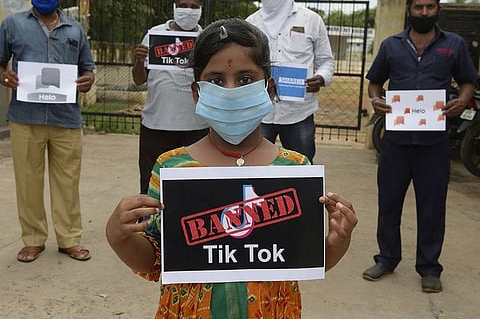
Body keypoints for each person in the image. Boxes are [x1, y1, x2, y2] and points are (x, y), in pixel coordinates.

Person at [106, 18, 357, 318]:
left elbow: (301, 257)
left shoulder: (293, 169)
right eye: (215, 80)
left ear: (270, 88)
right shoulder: (172, 168)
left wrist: (338, 241)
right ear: (197, 93)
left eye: (245, 79)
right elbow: (157, 260)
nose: (230, 90)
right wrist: (118, 235)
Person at [363, 0, 477, 293]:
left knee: (431, 206)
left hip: (434, 143)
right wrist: (376, 100)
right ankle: (386, 258)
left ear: (437, 9)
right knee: (389, 202)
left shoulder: (453, 45)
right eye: (418, 7)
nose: (423, 11)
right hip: (396, 141)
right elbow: (375, 82)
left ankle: (429, 268)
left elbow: (468, 81)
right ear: (409, 9)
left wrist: (461, 100)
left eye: (429, 6)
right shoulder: (391, 45)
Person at [0, 0, 95, 262]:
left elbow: (87, 67)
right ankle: (33, 239)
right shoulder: (12, 25)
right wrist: (5, 76)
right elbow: (1, 63)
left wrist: (88, 79)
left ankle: (69, 239)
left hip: (66, 119)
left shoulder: (75, 29)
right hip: (25, 117)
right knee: (28, 181)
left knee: (68, 182)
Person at [246, 0, 335, 163]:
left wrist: (320, 78)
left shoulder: (311, 20)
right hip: (261, 112)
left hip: (299, 113)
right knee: (255, 166)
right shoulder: (251, 23)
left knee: (302, 168)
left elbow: (326, 60)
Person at [132, 0, 209, 195]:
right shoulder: (154, 35)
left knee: (194, 186)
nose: (188, 10)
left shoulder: (207, 39)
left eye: (193, 6)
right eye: (183, 5)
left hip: (196, 125)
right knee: (151, 182)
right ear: (174, 7)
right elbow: (139, 80)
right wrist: (139, 61)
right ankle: (150, 226)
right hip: (157, 124)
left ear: (201, 8)